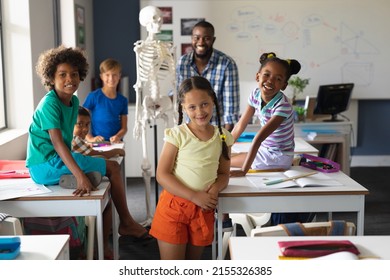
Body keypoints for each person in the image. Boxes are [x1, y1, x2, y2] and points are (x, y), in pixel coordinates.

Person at [26, 45, 152, 254]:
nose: (70, 79)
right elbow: (58, 144)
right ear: (51, 77)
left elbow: (69, 143)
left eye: (74, 74)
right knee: (111, 168)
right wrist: (79, 174)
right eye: (63, 75)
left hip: (56, 161)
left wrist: (88, 158)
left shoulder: (73, 101)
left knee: (106, 194)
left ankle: (100, 247)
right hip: (44, 166)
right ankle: (127, 222)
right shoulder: (50, 104)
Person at [149, 76, 234, 260]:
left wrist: (216, 188)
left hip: (203, 211)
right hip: (174, 209)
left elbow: (224, 174)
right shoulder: (177, 134)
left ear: (213, 100)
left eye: (204, 104)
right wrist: (194, 196)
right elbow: (162, 175)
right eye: (192, 107)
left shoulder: (224, 137)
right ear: (183, 107)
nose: (199, 111)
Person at [230, 52, 314, 225]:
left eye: (277, 79)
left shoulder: (282, 106)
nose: (270, 81)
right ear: (258, 76)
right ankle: (225, 215)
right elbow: (240, 125)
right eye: (266, 75)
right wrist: (223, 146)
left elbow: (258, 139)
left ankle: (225, 217)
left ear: (284, 85)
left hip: (277, 156)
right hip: (265, 150)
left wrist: (244, 170)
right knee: (223, 158)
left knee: (225, 163)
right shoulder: (255, 94)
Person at [72, 106, 126, 259]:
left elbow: (91, 153)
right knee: (107, 204)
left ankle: (102, 245)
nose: (84, 128)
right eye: (79, 124)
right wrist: (116, 151)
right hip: (75, 186)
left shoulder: (77, 139)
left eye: (87, 124)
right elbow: (96, 153)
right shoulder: (74, 140)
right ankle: (103, 247)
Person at [176, 20, 240, 132]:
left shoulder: (227, 64)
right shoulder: (183, 62)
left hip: (216, 130)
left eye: (206, 38)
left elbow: (231, 109)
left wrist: (224, 140)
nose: (201, 42)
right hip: (189, 130)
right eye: (197, 37)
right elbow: (178, 94)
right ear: (192, 39)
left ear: (213, 40)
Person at [83, 58, 128, 143]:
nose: (111, 78)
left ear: (119, 76)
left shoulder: (123, 101)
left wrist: (117, 136)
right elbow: (80, 121)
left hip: (116, 144)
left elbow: (124, 128)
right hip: (97, 144)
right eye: (107, 75)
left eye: (114, 75)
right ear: (101, 76)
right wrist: (90, 138)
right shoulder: (93, 97)